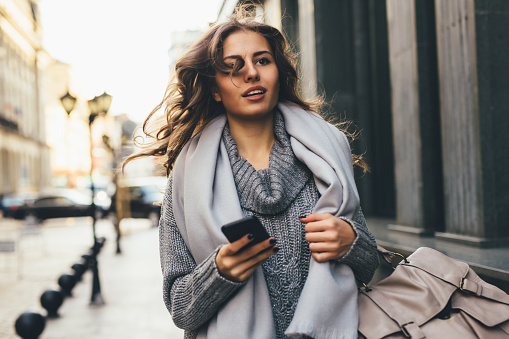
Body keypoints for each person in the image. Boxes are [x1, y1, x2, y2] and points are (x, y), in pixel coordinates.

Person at [124, 9, 379, 339]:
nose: (251, 74)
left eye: (262, 61)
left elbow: (369, 263)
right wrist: (220, 271)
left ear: (277, 74)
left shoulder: (325, 155)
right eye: (232, 67)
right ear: (215, 90)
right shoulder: (188, 179)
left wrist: (351, 242)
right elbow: (180, 307)